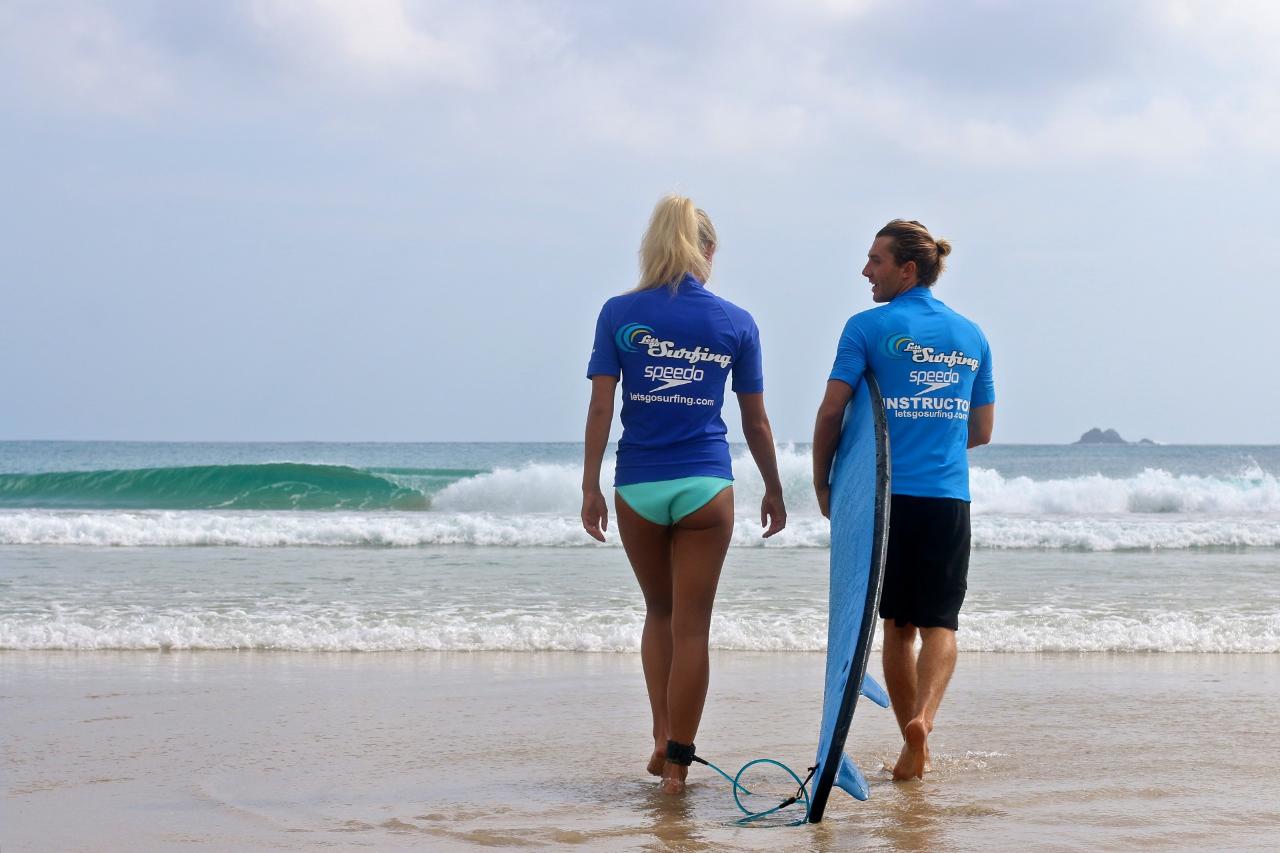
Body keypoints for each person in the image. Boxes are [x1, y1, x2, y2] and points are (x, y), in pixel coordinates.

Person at [581, 194, 787, 795]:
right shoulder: (736, 321)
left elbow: (601, 405)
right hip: (704, 486)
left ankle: (659, 735)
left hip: (638, 483)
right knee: (693, 626)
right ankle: (677, 764)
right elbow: (757, 423)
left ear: (653, 244)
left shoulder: (619, 312)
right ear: (709, 251)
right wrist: (774, 488)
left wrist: (590, 483)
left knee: (660, 614)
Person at [811, 219, 994, 782]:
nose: (866, 270)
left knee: (896, 628)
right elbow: (981, 430)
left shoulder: (866, 327)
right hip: (946, 498)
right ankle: (924, 722)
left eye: (876, 260)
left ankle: (910, 739)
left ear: (906, 269)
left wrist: (823, 482)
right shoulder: (972, 335)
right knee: (942, 623)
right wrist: (932, 434)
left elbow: (831, 412)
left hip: (884, 501)